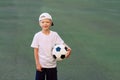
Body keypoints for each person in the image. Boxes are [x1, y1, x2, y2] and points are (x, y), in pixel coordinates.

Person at [31, 12, 71, 80]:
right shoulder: (37, 36)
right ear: (39, 23)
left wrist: (68, 49)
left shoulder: (54, 35)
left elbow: (62, 43)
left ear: (51, 23)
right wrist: (37, 64)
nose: (45, 24)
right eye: (42, 22)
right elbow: (36, 50)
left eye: (47, 22)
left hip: (52, 66)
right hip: (41, 65)